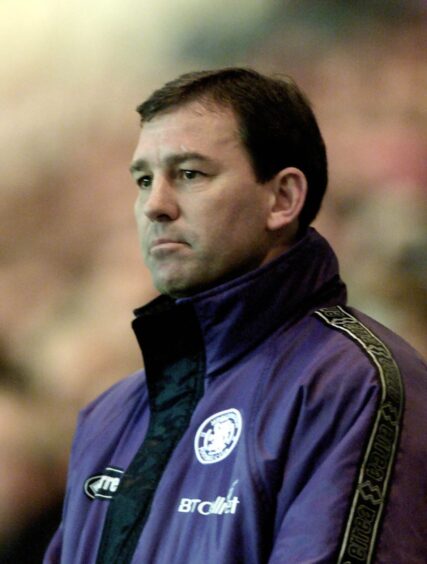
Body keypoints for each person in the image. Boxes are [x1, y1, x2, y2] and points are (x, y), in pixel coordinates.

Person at [44, 68, 427, 563]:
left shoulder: (354, 387)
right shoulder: (109, 417)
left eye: (189, 174)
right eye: (144, 179)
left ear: (283, 198)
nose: (154, 205)